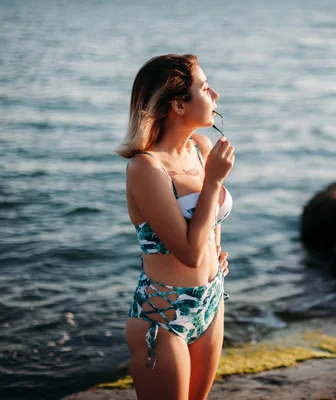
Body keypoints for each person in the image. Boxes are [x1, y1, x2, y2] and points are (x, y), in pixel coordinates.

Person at [115, 53, 234, 400]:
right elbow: (187, 254)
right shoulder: (146, 168)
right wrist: (213, 181)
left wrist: (217, 252)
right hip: (162, 316)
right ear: (179, 106)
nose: (215, 96)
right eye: (204, 88)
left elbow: (208, 226)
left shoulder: (201, 147)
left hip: (211, 300)